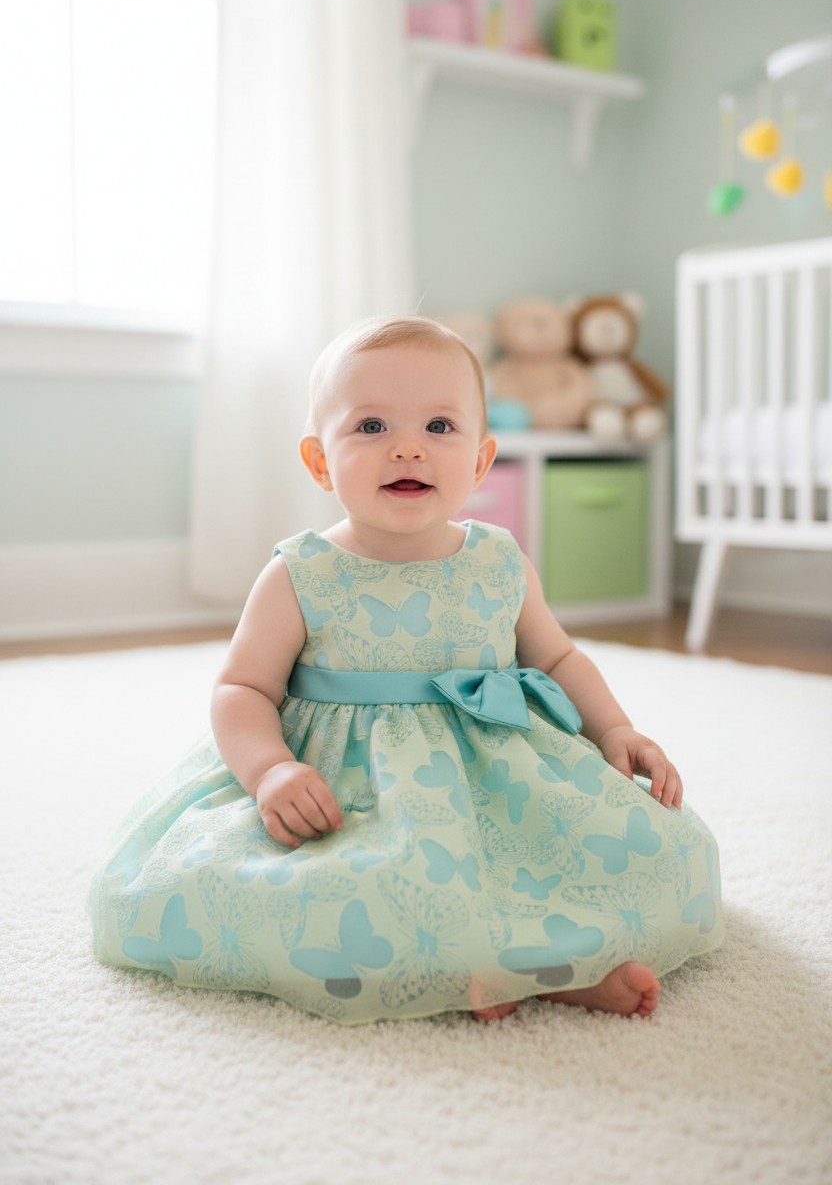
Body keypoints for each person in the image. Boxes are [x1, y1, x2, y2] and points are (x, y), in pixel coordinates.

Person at [87, 315, 723, 1025]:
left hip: (499, 776)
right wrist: (270, 771)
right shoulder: (302, 573)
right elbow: (242, 688)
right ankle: (498, 969)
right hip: (355, 792)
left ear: (481, 462)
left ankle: (537, 967)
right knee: (337, 893)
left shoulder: (499, 560)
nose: (409, 448)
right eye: (371, 427)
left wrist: (615, 729)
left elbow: (557, 657)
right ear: (320, 461)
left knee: (661, 853)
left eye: (440, 428)